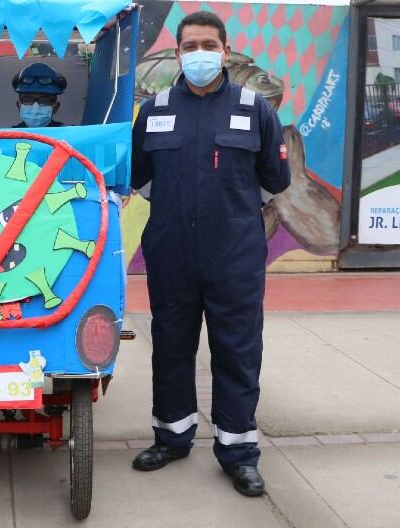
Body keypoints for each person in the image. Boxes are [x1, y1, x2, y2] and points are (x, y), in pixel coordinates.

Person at [128, 11, 290, 497]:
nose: (200, 53)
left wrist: (230, 211)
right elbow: (140, 177)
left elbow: (274, 180)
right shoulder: (154, 109)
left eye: (209, 44)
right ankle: (172, 437)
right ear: (178, 52)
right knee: (172, 346)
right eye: (191, 44)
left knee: (237, 350)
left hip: (234, 253)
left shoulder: (254, 108)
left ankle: (238, 452)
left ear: (225, 50)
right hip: (172, 250)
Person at [12, 62, 67, 127]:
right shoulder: (6, 136)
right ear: (19, 106)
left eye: (44, 100)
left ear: (56, 107)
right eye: (28, 100)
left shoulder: (70, 135)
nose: (35, 108)